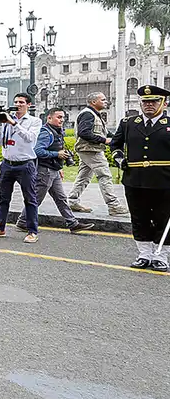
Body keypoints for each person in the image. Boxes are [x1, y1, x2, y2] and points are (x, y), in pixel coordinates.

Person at [110, 84, 170, 271]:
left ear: (164, 103)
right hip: (135, 180)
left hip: (164, 180)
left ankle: (160, 256)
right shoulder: (128, 123)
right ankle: (144, 254)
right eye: (145, 102)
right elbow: (115, 144)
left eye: (154, 101)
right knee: (139, 217)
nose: (149, 105)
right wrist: (119, 159)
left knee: (163, 218)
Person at [15, 108, 94, 235]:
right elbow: (37, 151)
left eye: (63, 117)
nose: (62, 120)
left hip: (53, 170)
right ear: (49, 118)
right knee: (36, 199)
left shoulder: (57, 131)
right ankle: (22, 222)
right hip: (44, 171)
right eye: (59, 117)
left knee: (61, 198)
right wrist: (57, 154)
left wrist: (59, 167)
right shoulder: (46, 132)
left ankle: (73, 223)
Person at [0, 93, 43, 243]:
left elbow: (30, 138)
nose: (18, 105)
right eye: (16, 102)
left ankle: (32, 231)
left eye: (21, 102)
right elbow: (0, 142)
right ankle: (0, 228)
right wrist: (0, 124)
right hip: (7, 164)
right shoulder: (7, 120)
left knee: (30, 199)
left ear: (28, 105)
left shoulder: (35, 121)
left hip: (25, 164)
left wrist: (13, 123)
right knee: (3, 198)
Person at [68, 92, 129, 215]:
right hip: (91, 150)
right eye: (103, 99)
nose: (106, 101)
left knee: (84, 177)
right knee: (104, 175)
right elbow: (84, 133)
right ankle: (113, 205)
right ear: (94, 102)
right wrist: (104, 140)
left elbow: (105, 133)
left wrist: (118, 139)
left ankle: (72, 201)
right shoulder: (88, 114)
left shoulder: (94, 114)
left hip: (88, 149)